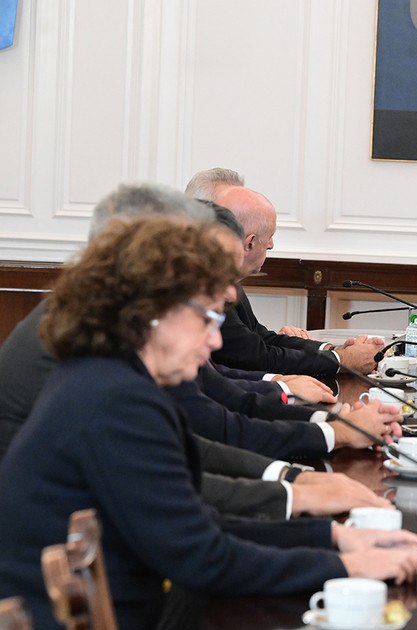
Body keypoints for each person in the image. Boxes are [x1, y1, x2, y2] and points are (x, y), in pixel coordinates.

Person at [0, 218, 417, 629]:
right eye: (206, 318)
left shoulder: (115, 376)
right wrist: (349, 565)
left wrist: (330, 538)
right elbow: (204, 557)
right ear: (153, 312)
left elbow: (195, 520)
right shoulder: (116, 400)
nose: (216, 340)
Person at [0, 184, 394, 522]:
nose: (228, 292)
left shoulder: (128, 323)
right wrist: (305, 478)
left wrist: (301, 467)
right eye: (209, 269)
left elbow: (196, 435)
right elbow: (191, 467)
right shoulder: (102, 350)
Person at [188, 173, 382, 377]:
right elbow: (254, 358)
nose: (271, 244)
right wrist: (343, 360)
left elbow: (260, 338)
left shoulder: (222, 280)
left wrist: (333, 351)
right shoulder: (198, 285)